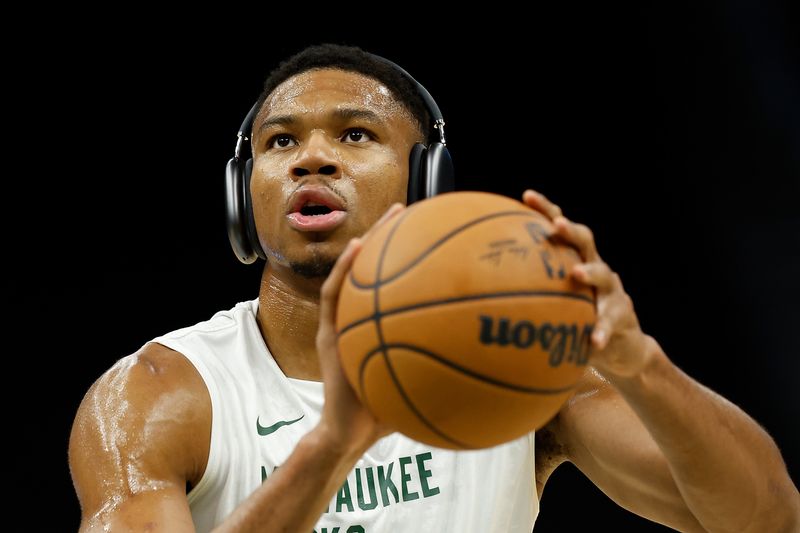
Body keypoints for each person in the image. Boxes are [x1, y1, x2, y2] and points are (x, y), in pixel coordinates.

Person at [68, 43, 799, 533]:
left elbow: (765, 519)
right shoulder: (160, 392)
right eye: (280, 141)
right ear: (241, 193)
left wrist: (642, 364)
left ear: (425, 184)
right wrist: (329, 448)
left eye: (356, 134)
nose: (311, 158)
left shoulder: (519, 366)